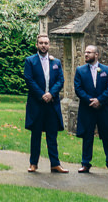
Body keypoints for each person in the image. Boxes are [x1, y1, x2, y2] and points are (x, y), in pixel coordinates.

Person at [23, 33, 67, 173]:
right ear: (37, 45)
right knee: (36, 135)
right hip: (37, 103)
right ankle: (33, 163)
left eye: (46, 43)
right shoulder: (30, 61)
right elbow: (29, 80)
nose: (43, 45)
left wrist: (50, 94)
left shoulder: (56, 62)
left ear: (49, 45)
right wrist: (42, 95)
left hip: (52, 104)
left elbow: (60, 80)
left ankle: (55, 164)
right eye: (41, 43)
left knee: (52, 135)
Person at [72, 44, 108, 173]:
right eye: (85, 52)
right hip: (87, 108)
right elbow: (78, 88)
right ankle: (85, 163)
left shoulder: (106, 70)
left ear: (96, 55)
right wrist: (90, 100)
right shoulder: (80, 70)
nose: (86, 54)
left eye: (89, 52)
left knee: (106, 136)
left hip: (103, 108)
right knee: (87, 136)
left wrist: (100, 100)